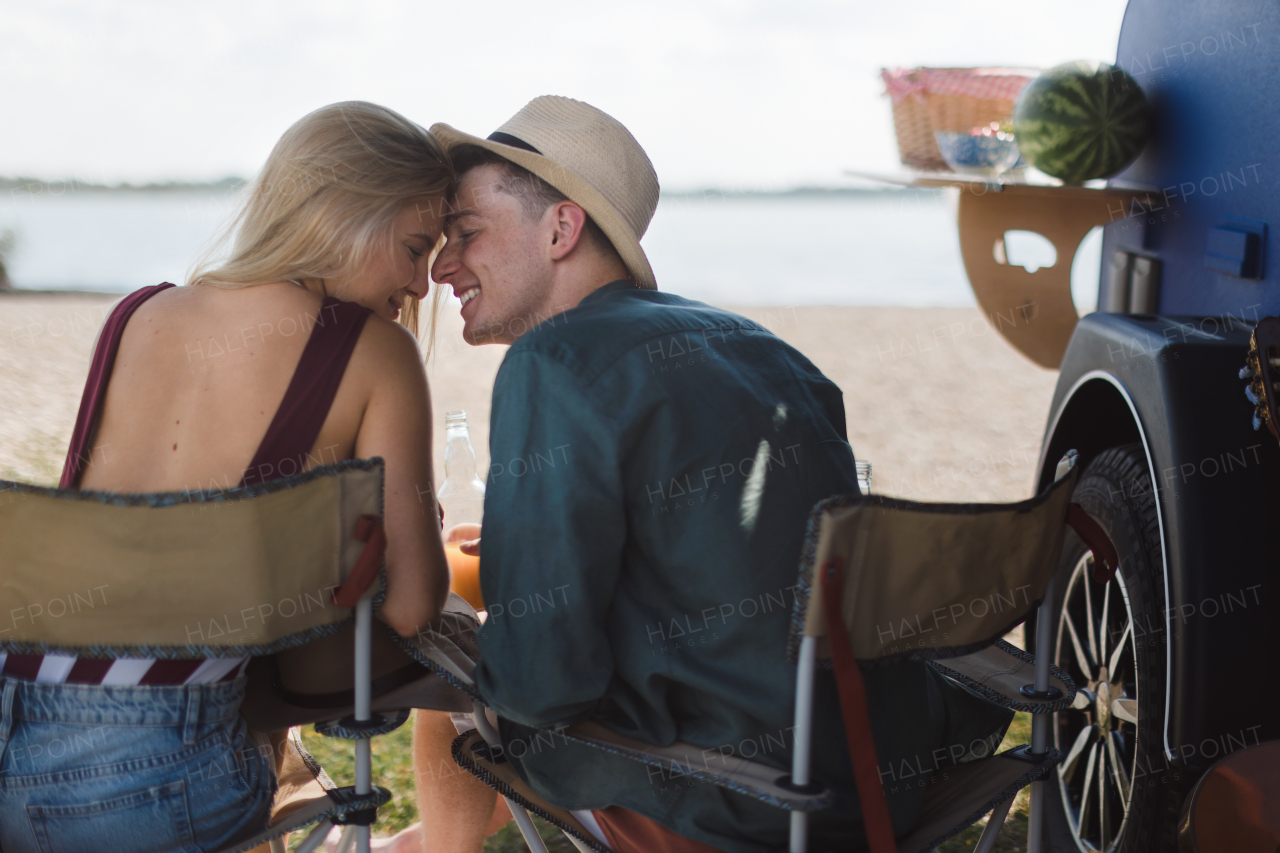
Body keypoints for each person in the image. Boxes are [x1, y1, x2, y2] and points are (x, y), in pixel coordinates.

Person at [402, 96, 1014, 853]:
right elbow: (741, 559)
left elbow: (543, 686)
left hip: (739, 801)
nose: (440, 267)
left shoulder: (552, 361)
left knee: (461, 658)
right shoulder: (762, 348)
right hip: (876, 774)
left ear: (561, 229)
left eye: (466, 234)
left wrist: (474, 619)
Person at [0, 101, 454, 853]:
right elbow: (411, 607)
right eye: (413, 248)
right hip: (157, 781)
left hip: (14, 738)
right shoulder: (373, 351)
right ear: (344, 212)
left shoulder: (137, 315)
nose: (421, 282)